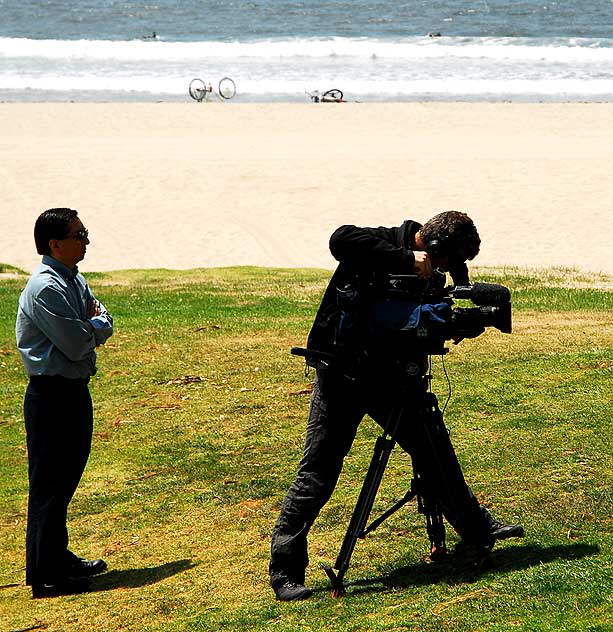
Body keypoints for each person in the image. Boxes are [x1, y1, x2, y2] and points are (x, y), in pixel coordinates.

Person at [269, 211, 524, 601]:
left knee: (436, 453)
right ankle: (286, 571)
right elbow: (340, 238)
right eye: (444, 261)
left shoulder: (438, 268)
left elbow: (415, 320)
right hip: (344, 376)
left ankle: (477, 529)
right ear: (432, 246)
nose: (445, 270)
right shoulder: (380, 243)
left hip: (394, 379)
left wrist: (459, 320)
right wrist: (407, 261)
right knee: (318, 473)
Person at [15, 208, 114, 598]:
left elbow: (100, 321)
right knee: (49, 485)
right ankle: (46, 575)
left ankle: (55, 556)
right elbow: (76, 343)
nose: (86, 239)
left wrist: (92, 325)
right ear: (54, 243)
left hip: (72, 392)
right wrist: (94, 326)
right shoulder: (45, 288)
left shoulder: (73, 279)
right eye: (79, 233)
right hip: (51, 395)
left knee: (65, 480)